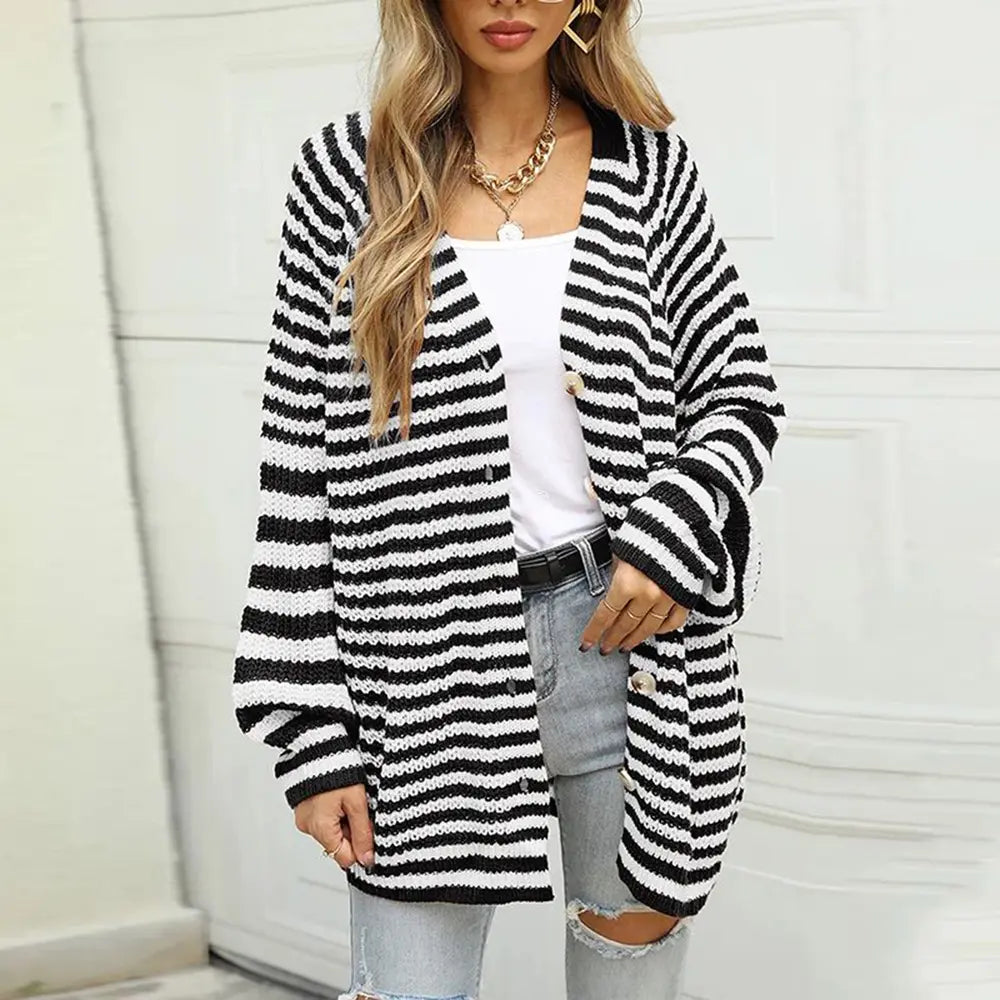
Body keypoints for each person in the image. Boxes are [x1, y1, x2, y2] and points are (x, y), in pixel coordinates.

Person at [232, 1, 786, 998]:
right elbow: (296, 464)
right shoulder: (344, 177)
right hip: (415, 667)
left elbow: (738, 391)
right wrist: (309, 730)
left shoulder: (647, 172)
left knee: (628, 974)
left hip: (626, 652)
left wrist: (672, 532)